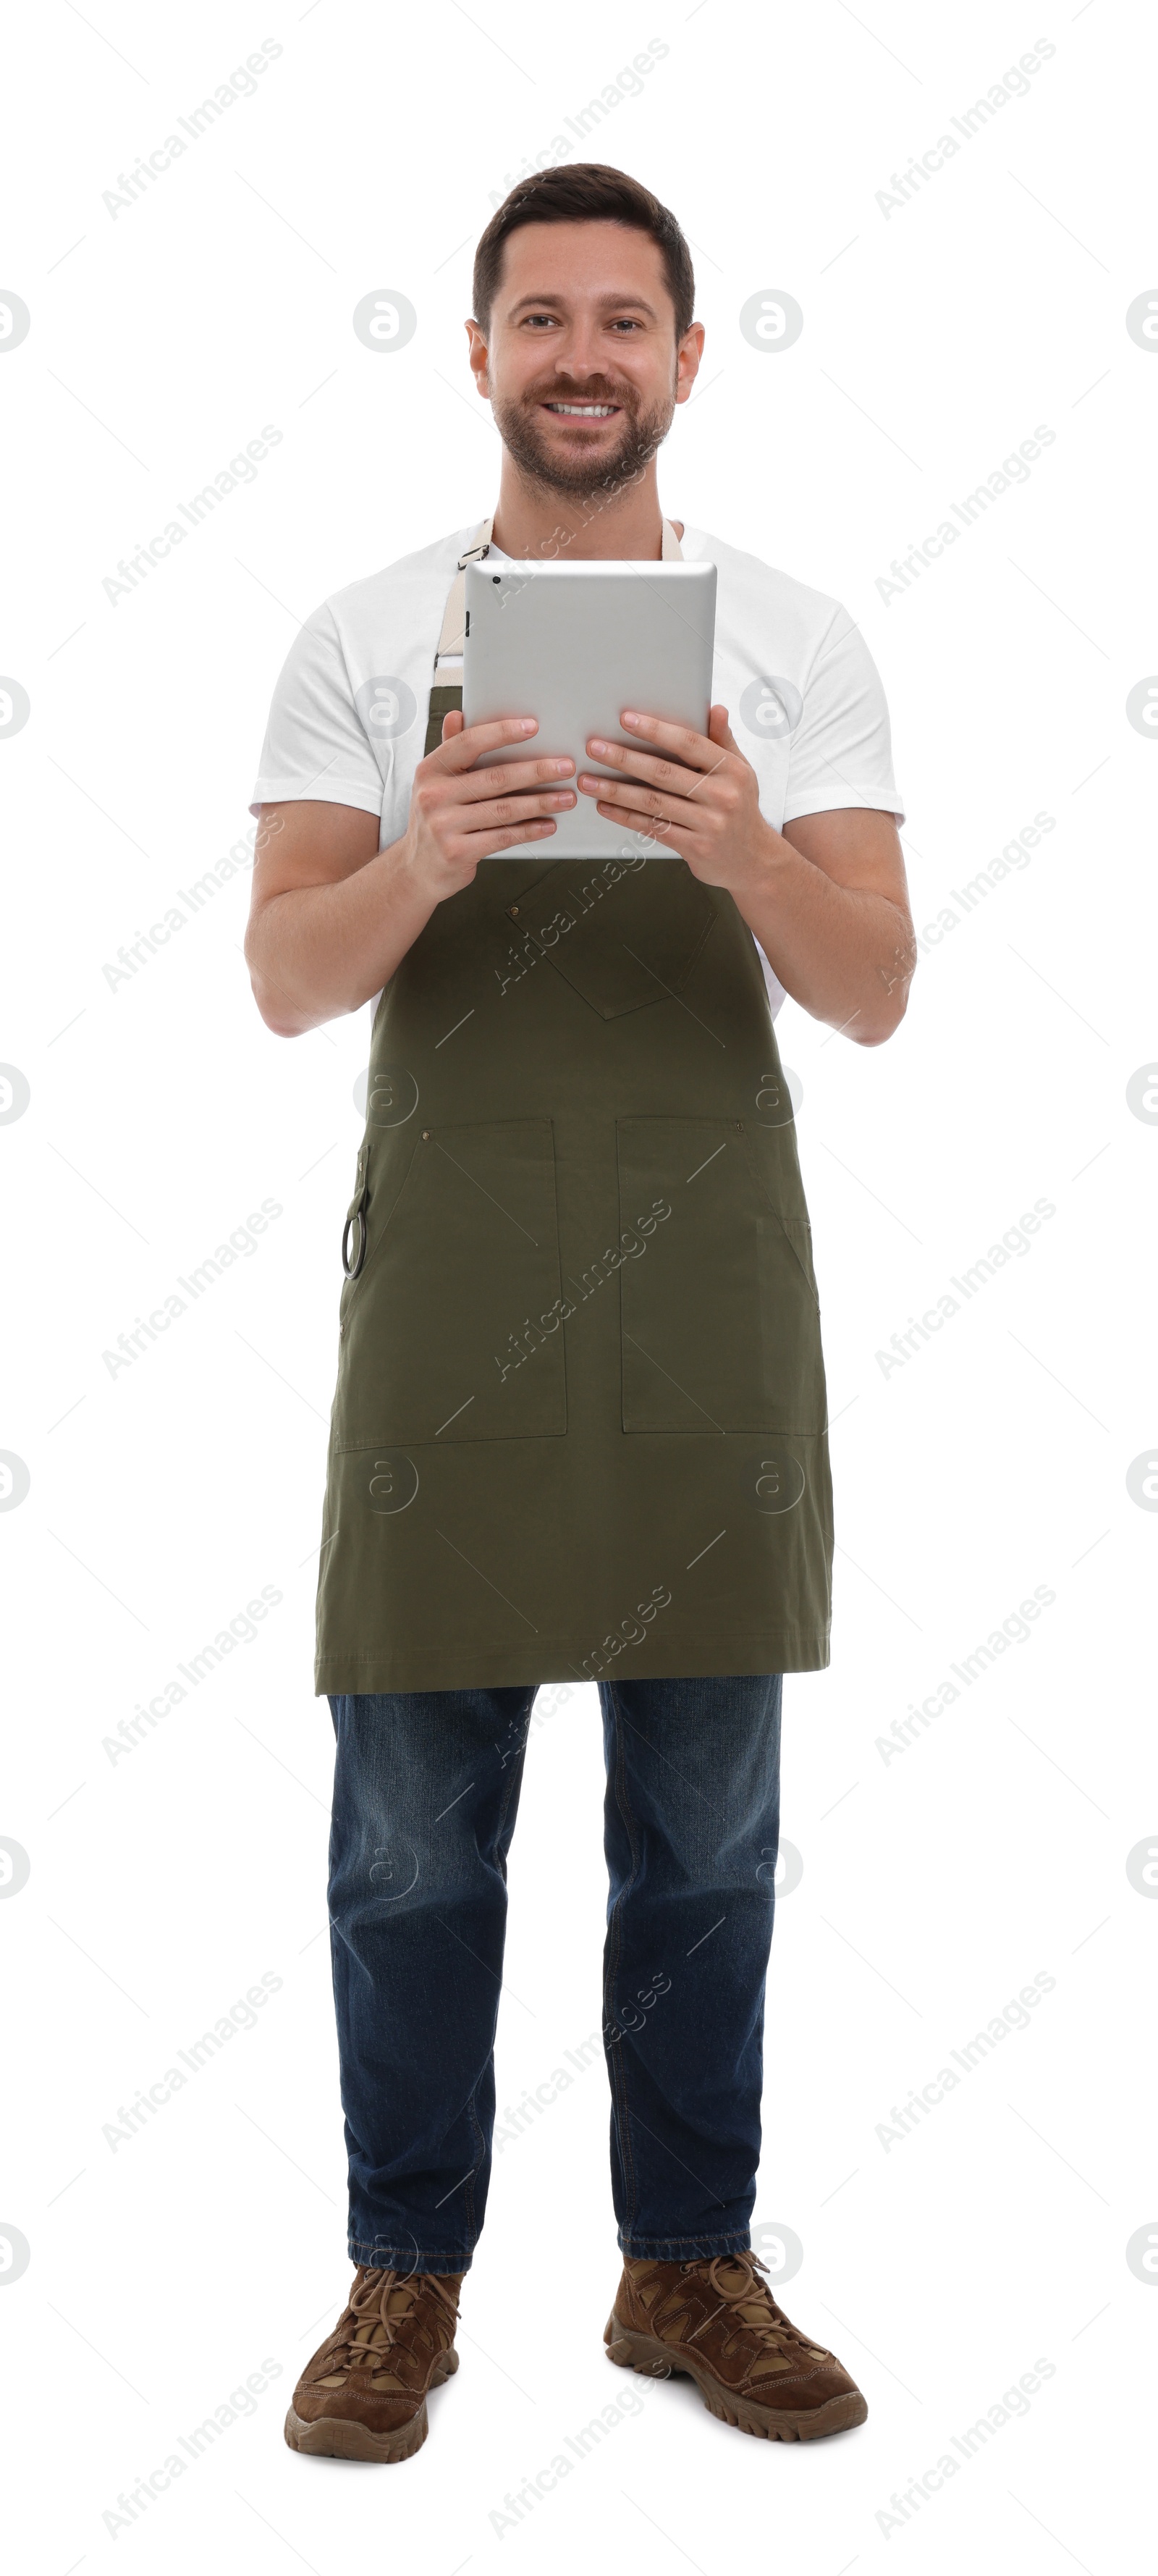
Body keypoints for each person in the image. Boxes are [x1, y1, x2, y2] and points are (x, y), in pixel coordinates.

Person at [245, 162, 914, 2465]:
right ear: (479, 354)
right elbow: (277, 979)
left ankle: (686, 2265)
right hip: (449, 1320)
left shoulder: (800, 643)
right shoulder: (356, 635)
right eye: (541, 316)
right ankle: (401, 2279)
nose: (583, 355)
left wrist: (742, 852)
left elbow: (880, 991)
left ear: (690, 360)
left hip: (706, 1317)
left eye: (625, 319)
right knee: (415, 1841)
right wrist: (426, 854)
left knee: (708, 1842)